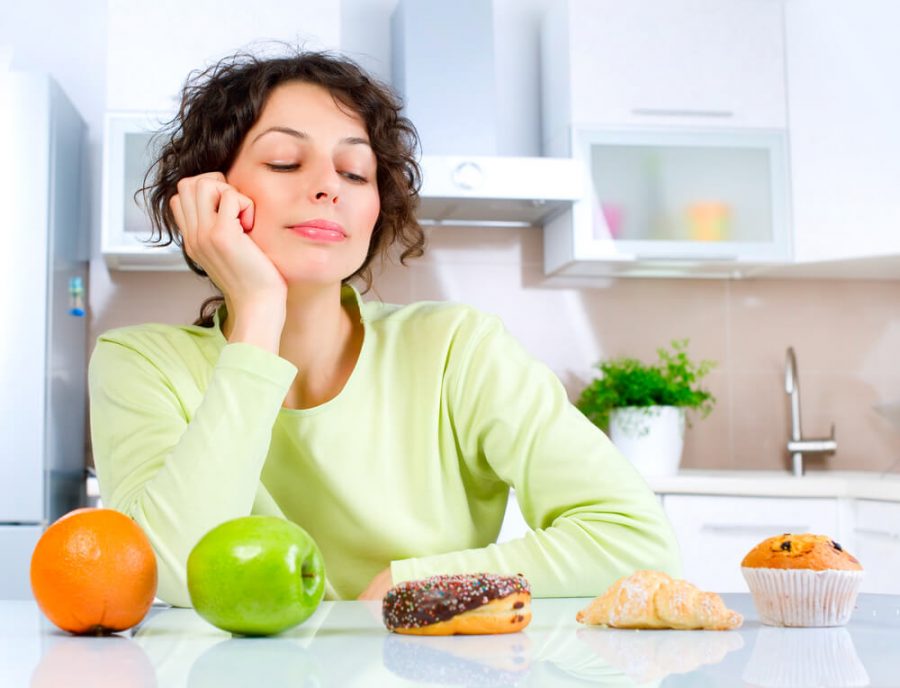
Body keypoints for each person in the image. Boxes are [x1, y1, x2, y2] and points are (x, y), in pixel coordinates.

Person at [88, 49, 681, 607]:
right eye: (284, 162)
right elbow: (169, 574)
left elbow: (636, 542)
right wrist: (260, 312)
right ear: (209, 193)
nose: (326, 186)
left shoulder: (456, 350)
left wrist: (409, 585)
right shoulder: (140, 363)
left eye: (354, 172)